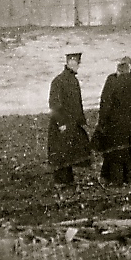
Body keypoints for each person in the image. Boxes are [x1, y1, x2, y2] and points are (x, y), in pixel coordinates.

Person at [94, 55, 131, 185]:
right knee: (130, 154)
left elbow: (105, 104)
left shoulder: (112, 80)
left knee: (114, 154)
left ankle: (115, 180)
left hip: (114, 124)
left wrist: (101, 124)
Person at [47, 52, 92, 186]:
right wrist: (61, 123)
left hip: (71, 122)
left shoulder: (72, 80)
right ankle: (61, 181)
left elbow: (77, 103)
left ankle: (68, 180)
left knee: (68, 152)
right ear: (70, 63)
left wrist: (81, 120)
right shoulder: (58, 81)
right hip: (61, 123)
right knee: (61, 153)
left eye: (78, 63)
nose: (78, 66)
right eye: (76, 63)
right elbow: (54, 104)